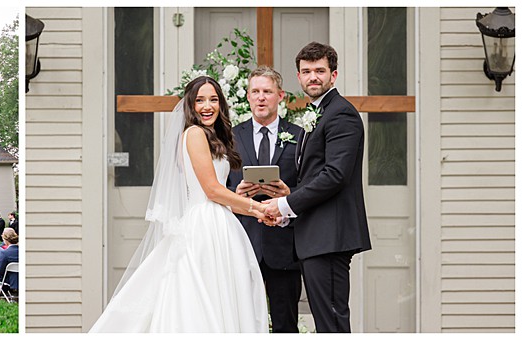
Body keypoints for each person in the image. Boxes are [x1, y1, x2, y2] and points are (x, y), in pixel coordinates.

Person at [90, 76, 270, 332]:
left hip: (221, 222)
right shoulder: (194, 134)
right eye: (200, 100)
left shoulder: (213, 137)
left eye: (213, 99)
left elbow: (220, 194)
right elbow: (211, 190)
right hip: (205, 227)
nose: (207, 106)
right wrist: (256, 207)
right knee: (203, 294)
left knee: (223, 293)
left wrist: (257, 211)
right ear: (190, 105)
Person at [261, 42, 372, 333]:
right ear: (298, 77)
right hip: (315, 237)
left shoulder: (341, 114)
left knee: (332, 324)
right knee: (326, 323)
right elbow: (313, 176)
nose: (313, 77)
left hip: (330, 237)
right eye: (306, 71)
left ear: (333, 76)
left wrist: (285, 205)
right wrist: (288, 204)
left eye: (320, 71)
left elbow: (335, 175)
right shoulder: (319, 113)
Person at [225, 66, 305, 333]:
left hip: (284, 246)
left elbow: (311, 185)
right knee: (242, 324)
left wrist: (288, 194)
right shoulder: (231, 137)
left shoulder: (300, 136)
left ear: (280, 95)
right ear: (247, 96)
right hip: (242, 242)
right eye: (255, 91)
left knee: (285, 325)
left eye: (267, 92)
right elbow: (218, 187)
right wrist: (235, 196)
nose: (261, 97)